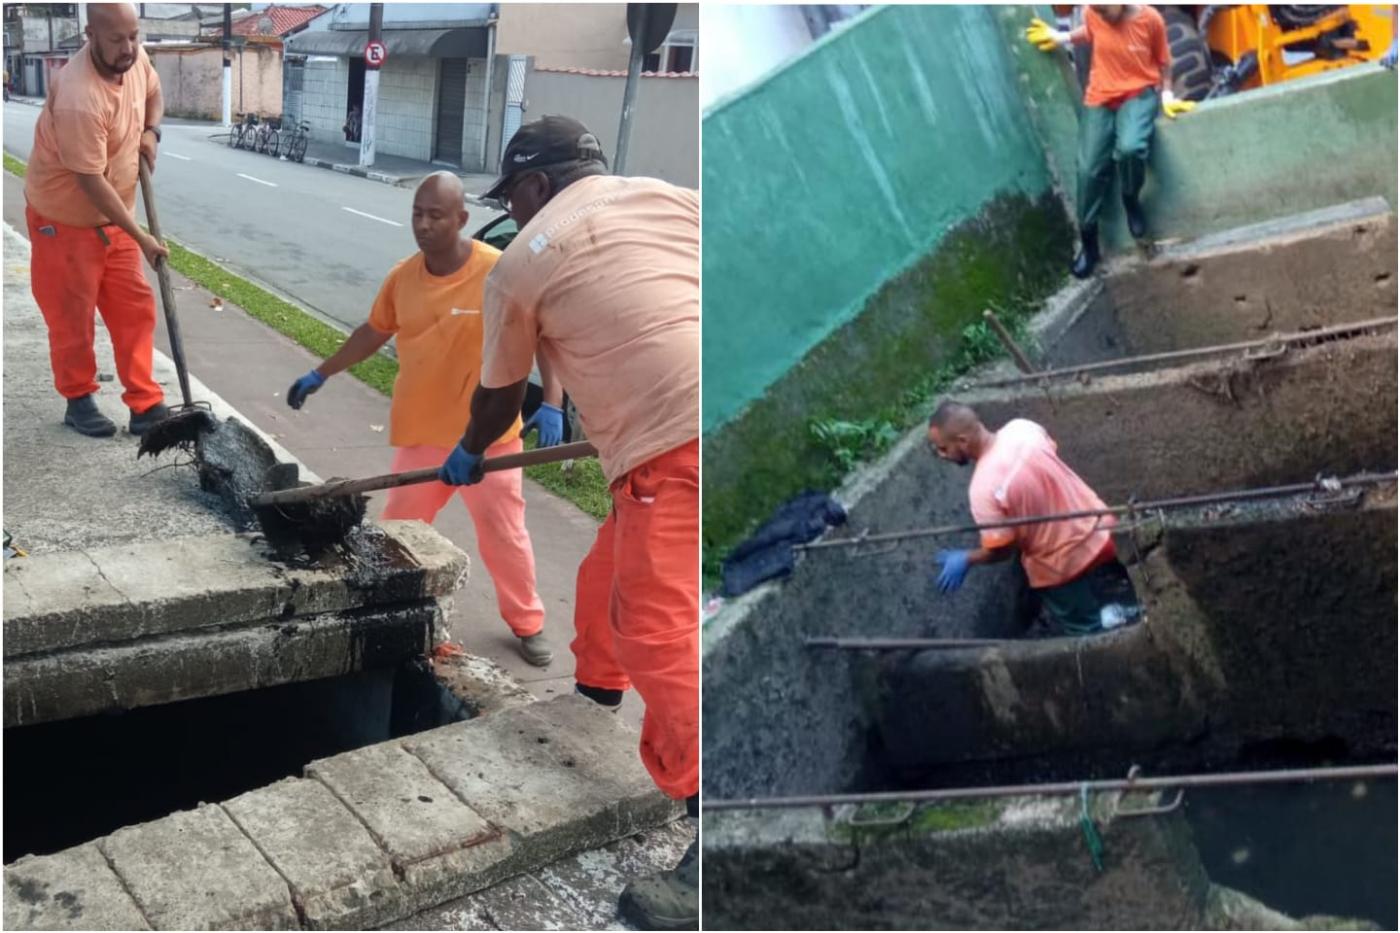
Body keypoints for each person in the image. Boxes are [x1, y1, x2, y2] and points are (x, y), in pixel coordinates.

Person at [438, 116, 699, 929]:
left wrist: (471, 449)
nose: (511, 215)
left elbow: (494, 395)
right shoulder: (672, 198)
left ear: (535, 186)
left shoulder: (521, 262)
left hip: (675, 449)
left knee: (658, 632)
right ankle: (591, 707)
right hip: (698, 425)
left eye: (512, 197)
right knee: (602, 587)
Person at [285, 172, 558, 668]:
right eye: (418, 213)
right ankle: (393, 610)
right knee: (398, 535)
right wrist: (320, 372)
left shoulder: (498, 272)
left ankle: (528, 623)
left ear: (462, 219)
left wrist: (555, 402)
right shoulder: (402, 278)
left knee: (505, 536)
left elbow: (544, 334)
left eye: (436, 215)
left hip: (490, 440)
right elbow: (373, 331)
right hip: (423, 434)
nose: (424, 224)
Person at [25, 1, 171, 438]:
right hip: (62, 222)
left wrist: (151, 131)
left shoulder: (135, 58)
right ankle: (78, 399)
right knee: (72, 315)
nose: (128, 48)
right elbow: (89, 181)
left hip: (113, 218)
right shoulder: (79, 96)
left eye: (134, 36)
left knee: (135, 309)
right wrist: (141, 236)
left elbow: (153, 95)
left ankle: (145, 404)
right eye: (116, 40)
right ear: (91, 34)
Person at [926, 401, 1140, 636]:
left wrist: (967, 559)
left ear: (963, 441)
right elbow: (1050, 458)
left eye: (943, 448)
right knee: (1126, 589)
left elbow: (1002, 550)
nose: (941, 455)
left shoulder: (982, 490)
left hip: (1061, 565)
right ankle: (1133, 614)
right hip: (1101, 528)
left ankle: (1107, 647)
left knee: (1087, 630)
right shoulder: (1023, 428)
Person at [1026, 5, 1196, 278]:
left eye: (1106, 11)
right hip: (1100, 96)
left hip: (1138, 93)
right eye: (1097, 11)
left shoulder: (1150, 19)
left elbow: (1165, 62)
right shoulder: (1095, 14)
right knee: (1088, 168)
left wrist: (1167, 96)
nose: (1101, 16)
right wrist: (1063, 38)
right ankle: (1090, 244)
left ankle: (1130, 198)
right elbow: (1092, 31)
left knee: (1130, 148)